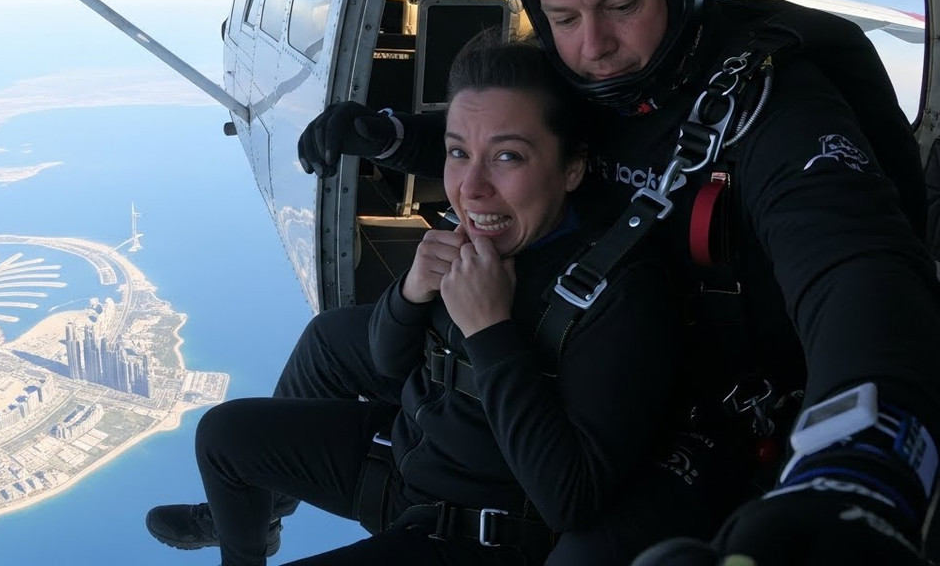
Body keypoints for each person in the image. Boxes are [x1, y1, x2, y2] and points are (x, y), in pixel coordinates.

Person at [287, 0, 940, 565]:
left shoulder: (776, 106)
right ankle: (264, 491)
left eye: (621, 5)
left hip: (711, 399)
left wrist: (864, 461)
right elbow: (514, 149)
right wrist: (384, 135)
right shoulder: (597, 83)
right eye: (563, 18)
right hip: (590, 339)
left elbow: (856, 270)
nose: (593, 46)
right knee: (329, 342)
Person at [152, 39, 730, 565]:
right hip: (401, 463)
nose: (471, 188)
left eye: (508, 157)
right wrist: (408, 295)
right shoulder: (473, 239)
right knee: (223, 437)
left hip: (469, 529)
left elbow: (569, 500)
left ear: (572, 166)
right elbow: (386, 363)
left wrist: (489, 330)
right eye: (458, 153)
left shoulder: (621, 293)